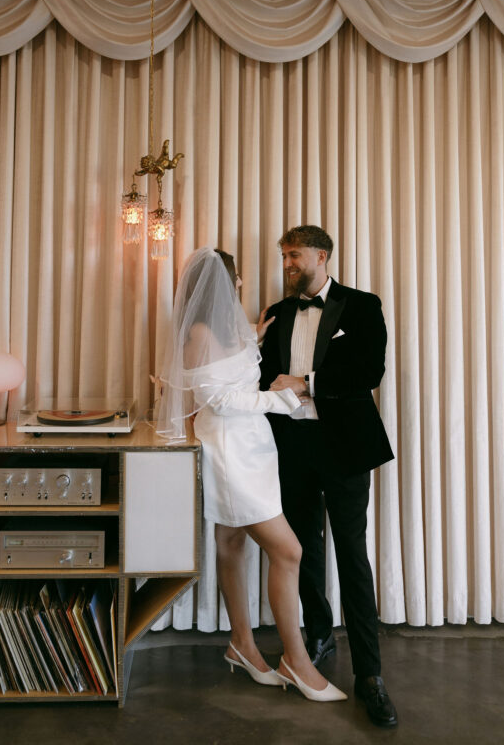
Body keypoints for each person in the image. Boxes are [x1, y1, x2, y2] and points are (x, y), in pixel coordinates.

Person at [156, 246, 346, 702]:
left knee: (231, 542)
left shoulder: (232, 327)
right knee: (289, 551)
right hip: (229, 450)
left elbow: (233, 378)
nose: (240, 285)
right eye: (234, 279)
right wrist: (279, 400)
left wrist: (254, 340)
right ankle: (296, 661)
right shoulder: (198, 333)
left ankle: (242, 644)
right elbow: (218, 399)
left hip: (254, 449)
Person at [259, 225, 398, 728]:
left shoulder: (362, 305)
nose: (287, 263)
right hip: (290, 448)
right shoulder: (276, 313)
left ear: (322, 255)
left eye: (294, 254)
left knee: (352, 554)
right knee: (300, 551)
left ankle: (370, 675)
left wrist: (307, 382)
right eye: (283, 255)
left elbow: (369, 372)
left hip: (343, 447)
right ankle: (316, 637)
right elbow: (260, 380)